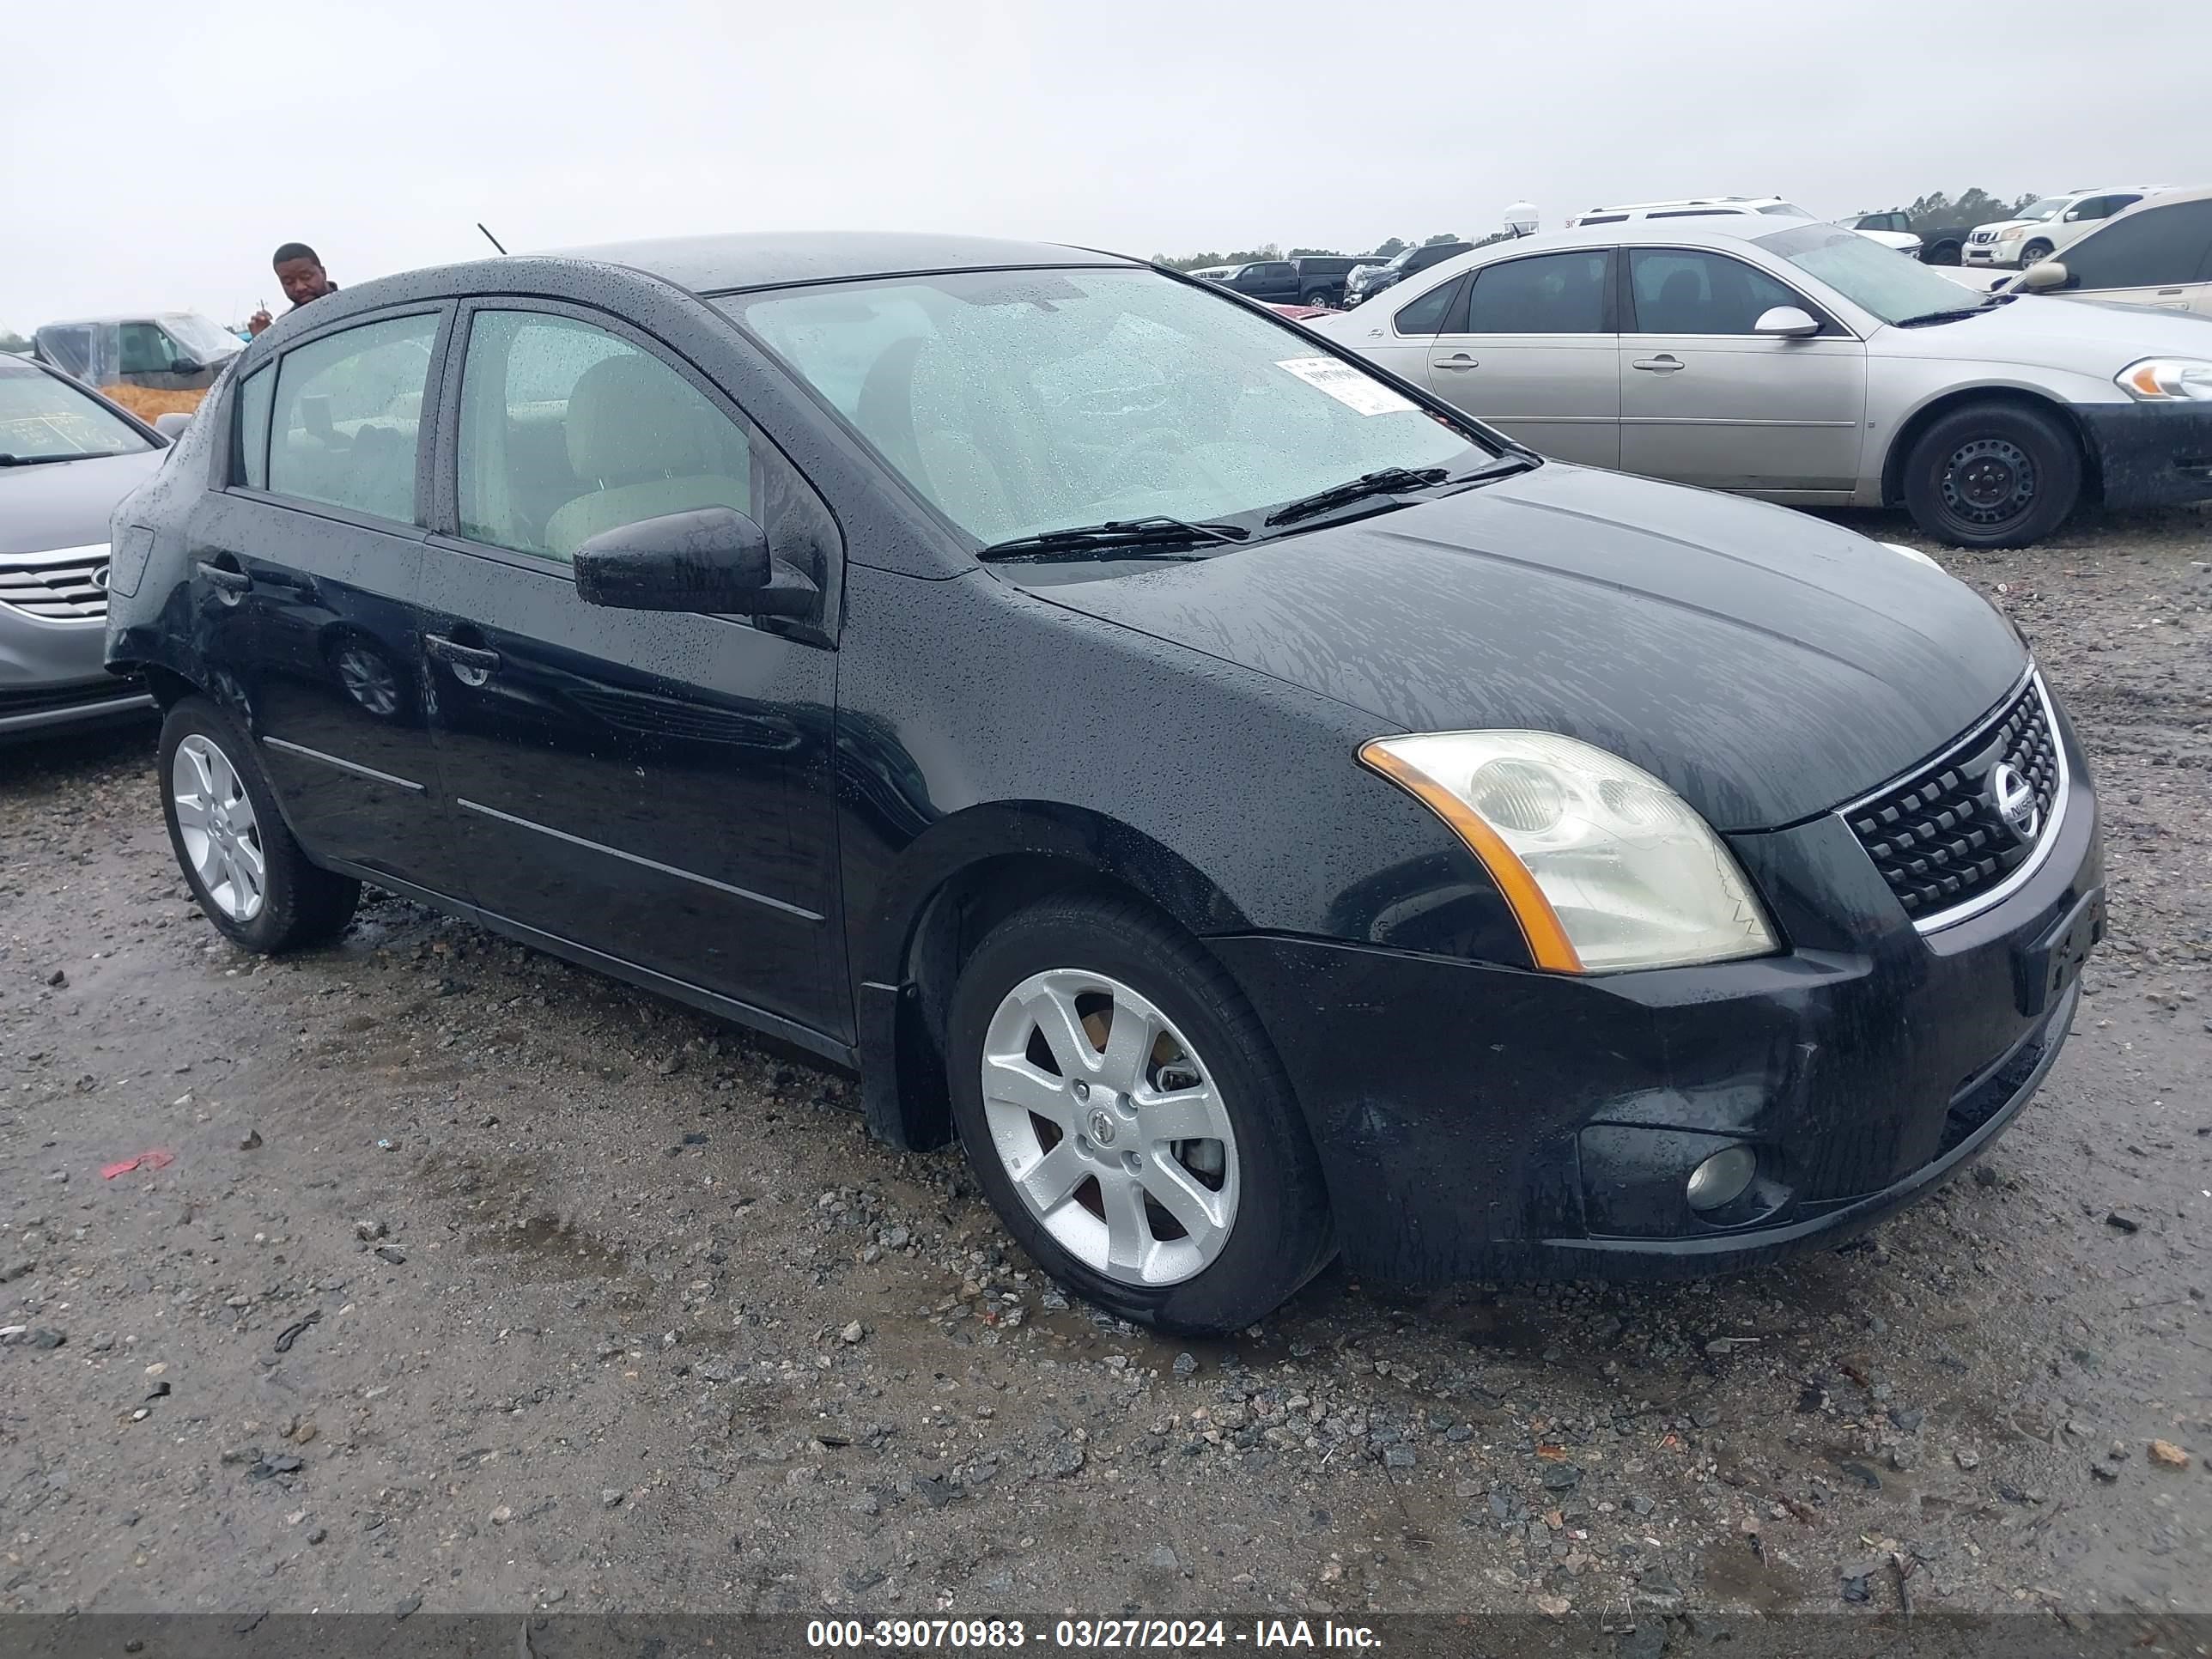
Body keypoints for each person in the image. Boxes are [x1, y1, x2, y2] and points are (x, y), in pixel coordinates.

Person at [246, 244, 337, 337]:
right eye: (289, 282)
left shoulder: (349, 305)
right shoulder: (285, 327)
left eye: (306, 277)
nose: (299, 287)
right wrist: (265, 338)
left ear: (323, 273)